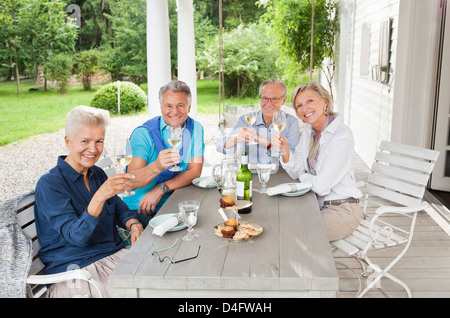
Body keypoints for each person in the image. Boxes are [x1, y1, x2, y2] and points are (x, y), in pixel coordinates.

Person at [34, 105, 143, 298]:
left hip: (113, 256)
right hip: (74, 272)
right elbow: (76, 237)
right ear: (68, 141)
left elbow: (120, 209)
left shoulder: (97, 174)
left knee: (166, 278)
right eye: (85, 141)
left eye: (99, 141)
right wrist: (100, 196)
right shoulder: (50, 184)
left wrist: (133, 224)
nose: (93, 149)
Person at [273, 81, 363, 242]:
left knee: (295, 234)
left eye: (310, 101)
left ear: (325, 102)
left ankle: (312, 267)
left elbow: (321, 186)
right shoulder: (309, 131)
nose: (304, 108)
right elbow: (296, 171)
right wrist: (285, 150)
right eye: (299, 105)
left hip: (342, 209)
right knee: (278, 221)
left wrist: (303, 174)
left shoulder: (341, 136)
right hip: (314, 204)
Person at [123, 80, 204, 226]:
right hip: (142, 207)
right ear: (161, 108)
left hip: (175, 201)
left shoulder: (196, 128)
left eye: (180, 105)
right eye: (168, 106)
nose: (174, 111)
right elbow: (131, 182)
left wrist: (160, 188)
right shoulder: (144, 134)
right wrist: (157, 166)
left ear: (189, 107)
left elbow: (195, 171)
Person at [216, 78, 300, 163]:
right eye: (265, 98)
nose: (269, 103)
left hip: (279, 174)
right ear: (260, 98)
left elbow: (292, 158)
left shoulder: (291, 122)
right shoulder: (246, 120)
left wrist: (265, 142)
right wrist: (236, 138)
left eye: (274, 99)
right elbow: (220, 145)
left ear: (283, 101)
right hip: (250, 174)